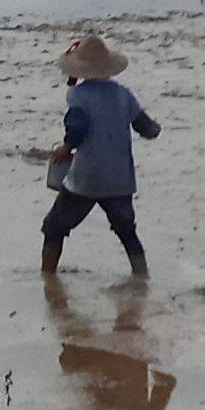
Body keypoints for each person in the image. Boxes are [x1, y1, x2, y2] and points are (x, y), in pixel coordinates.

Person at [43, 32, 160, 274]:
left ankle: (48, 279)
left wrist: (66, 148)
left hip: (85, 179)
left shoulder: (77, 95)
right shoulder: (123, 95)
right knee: (127, 231)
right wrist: (155, 129)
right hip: (119, 179)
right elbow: (146, 127)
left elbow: (77, 128)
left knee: (54, 228)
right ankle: (141, 276)